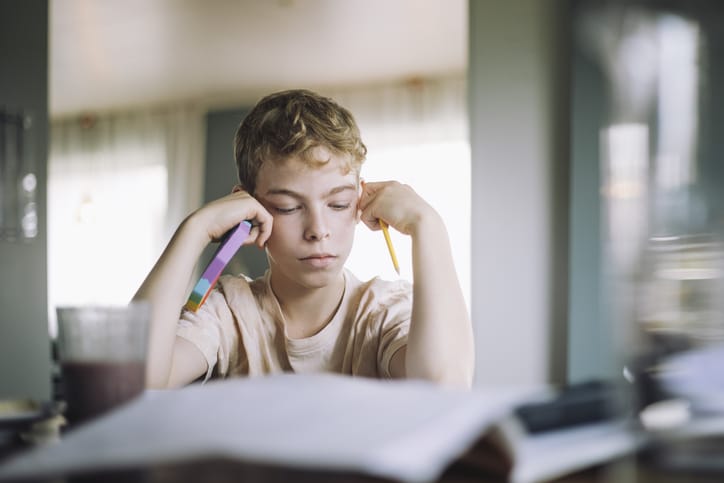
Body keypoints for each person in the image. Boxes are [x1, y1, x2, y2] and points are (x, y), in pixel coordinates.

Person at [133, 89, 474, 389]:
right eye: (288, 207)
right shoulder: (228, 311)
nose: (318, 229)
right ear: (247, 208)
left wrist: (427, 226)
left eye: (338, 204)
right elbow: (133, 380)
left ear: (359, 201)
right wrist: (195, 228)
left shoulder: (382, 311)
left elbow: (444, 386)